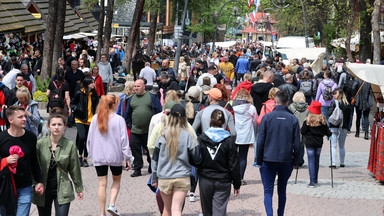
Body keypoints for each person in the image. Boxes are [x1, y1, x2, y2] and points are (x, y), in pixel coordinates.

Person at [87, 95, 133, 216]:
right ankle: (112, 204)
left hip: (99, 155)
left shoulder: (95, 118)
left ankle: (102, 213)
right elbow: (124, 141)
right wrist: (128, 157)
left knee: (102, 184)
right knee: (116, 180)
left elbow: (89, 139)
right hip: (115, 155)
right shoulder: (119, 119)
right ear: (113, 105)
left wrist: (91, 153)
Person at [256, 91, 300, 216]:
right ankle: (280, 214)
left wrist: (258, 160)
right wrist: (295, 161)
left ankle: (269, 214)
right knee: (282, 190)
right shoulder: (292, 119)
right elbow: (297, 144)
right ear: (287, 102)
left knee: (268, 191)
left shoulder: (267, 118)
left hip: (268, 158)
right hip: (285, 159)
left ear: (275, 101)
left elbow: (260, 142)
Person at [151, 104, 200, 216]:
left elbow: (155, 159)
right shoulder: (189, 135)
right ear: (184, 118)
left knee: (166, 210)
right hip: (182, 176)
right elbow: (196, 158)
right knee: (176, 209)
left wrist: (154, 177)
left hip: (164, 176)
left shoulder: (162, 134)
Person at [33, 108, 84, 216]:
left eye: (60, 125)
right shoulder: (40, 144)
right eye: (54, 124)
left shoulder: (70, 145)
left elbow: (75, 168)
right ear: (48, 126)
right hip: (43, 189)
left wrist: (78, 188)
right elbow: (33, 167)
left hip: (63, 188)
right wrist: (35, 184)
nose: (56, 127)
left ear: (64, 127)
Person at [0, 106, 44, 215]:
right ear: (10, 120)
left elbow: (34, 160)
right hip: (4, 186)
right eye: (20, 117)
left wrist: (39, 181)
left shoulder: (31, 137)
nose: (24, 119)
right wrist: (6, 160)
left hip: (25, 187)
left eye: (24, 116)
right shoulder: (1, 138)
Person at [197, 109, 241, 216]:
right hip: (223, 180)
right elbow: (233, 164)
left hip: (205, 179)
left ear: (210, 120)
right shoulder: (229, 140)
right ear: (223, 122)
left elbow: (196, 160)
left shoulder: (201, 139)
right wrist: (237, 184)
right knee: (219, 211)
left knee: (206, 211)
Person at [124, 79, 162, 177]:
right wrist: (130, 125)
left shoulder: (152, 96)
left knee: (149, 149)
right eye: (135, 86)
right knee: (134, 148)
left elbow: (158, 111)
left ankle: (151, 165)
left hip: (149, 131)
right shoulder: (131, 98)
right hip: (135, 130)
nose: (136, 88)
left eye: (138, 86)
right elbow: (127, 114)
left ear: (144, 86)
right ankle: (137, 168)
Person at [301, 101, 332, 187]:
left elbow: (303, 131)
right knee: (316, 160)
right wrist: (330, 133)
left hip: (310, 142)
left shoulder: (307, 120)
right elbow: (327, 132)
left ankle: (312, 181)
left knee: (311, 161)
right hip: (318, 143)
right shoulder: (322, 120)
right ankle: (316, 178)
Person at [71, 77, 99, 167]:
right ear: (87, 84)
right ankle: (79, 156)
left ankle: (85, 158)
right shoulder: (79, 93)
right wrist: (77, 109)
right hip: (80, 119)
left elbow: (97, 105)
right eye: (92, 83)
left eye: (94, 83)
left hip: (90, 120)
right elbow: (72, 103)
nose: (93, 84)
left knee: (88, 139)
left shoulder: (94, 94)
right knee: (82, 137)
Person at [232, 89, 258, 185]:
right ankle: (240, 178)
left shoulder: (232, 107)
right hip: (246, 135)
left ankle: (231, 176)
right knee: (243, 157)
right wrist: (255, 133)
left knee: (232, 157)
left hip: (234, 133)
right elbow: (255, 121)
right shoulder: (251, 108)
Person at [327, 88, 351, 167]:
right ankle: (342, 163)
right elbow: (348, 118)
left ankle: (333, 163)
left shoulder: (334, 103)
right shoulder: (347, 104)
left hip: (334, 126)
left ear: (337, 95)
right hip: (344, 127)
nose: (333, 95)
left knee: (333, 145)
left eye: (334, 94)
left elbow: (329, 113)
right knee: (342, 145)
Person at [288, 91, 309, 166]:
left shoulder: (291, 107)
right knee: (302, 144)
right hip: (303, 128)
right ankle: (300, 160)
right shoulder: (308, 108)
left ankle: (293, 159)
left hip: (293, 128)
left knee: (292, 144)